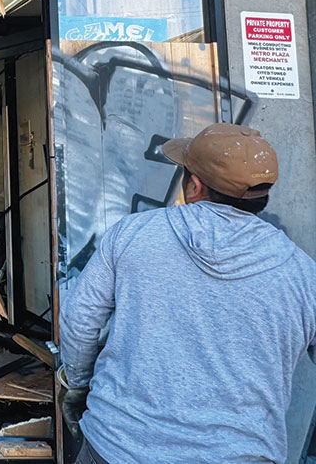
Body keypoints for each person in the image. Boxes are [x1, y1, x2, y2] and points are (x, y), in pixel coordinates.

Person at [59, 123, 316, 464]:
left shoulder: (132, 236)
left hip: (118, 447)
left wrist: (78, 384)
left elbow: (79, 322)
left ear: (194, 186)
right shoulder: (303, 274)